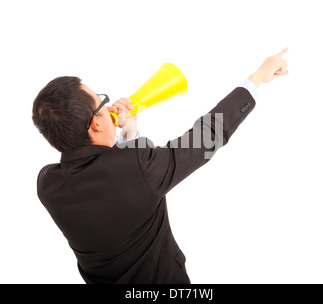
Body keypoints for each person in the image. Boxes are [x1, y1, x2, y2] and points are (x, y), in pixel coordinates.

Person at [32, 48, 288, 284]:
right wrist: (257, 78)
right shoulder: (139, 167)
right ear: (96, 124)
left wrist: (128, 134)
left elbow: (112, 177)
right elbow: (208, 134)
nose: (107, 105)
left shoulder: (47, 184)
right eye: (100, 101)